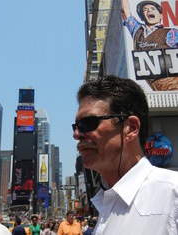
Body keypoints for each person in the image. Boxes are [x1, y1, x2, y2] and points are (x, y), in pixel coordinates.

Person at [72, 75, 178, 234]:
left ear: (131, 128)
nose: (76, 134)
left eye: (88, 123)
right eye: (76, 126)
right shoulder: (104, 206)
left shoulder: (172, 195)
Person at [121, 0, 178, 90]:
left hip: (173, 85)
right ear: (143, 16)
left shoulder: (171, 33)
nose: (149, 11)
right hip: (156, 88)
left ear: (160, 16)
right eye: (145, 10)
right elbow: (125, 10)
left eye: (153, 9)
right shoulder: (137, 31)